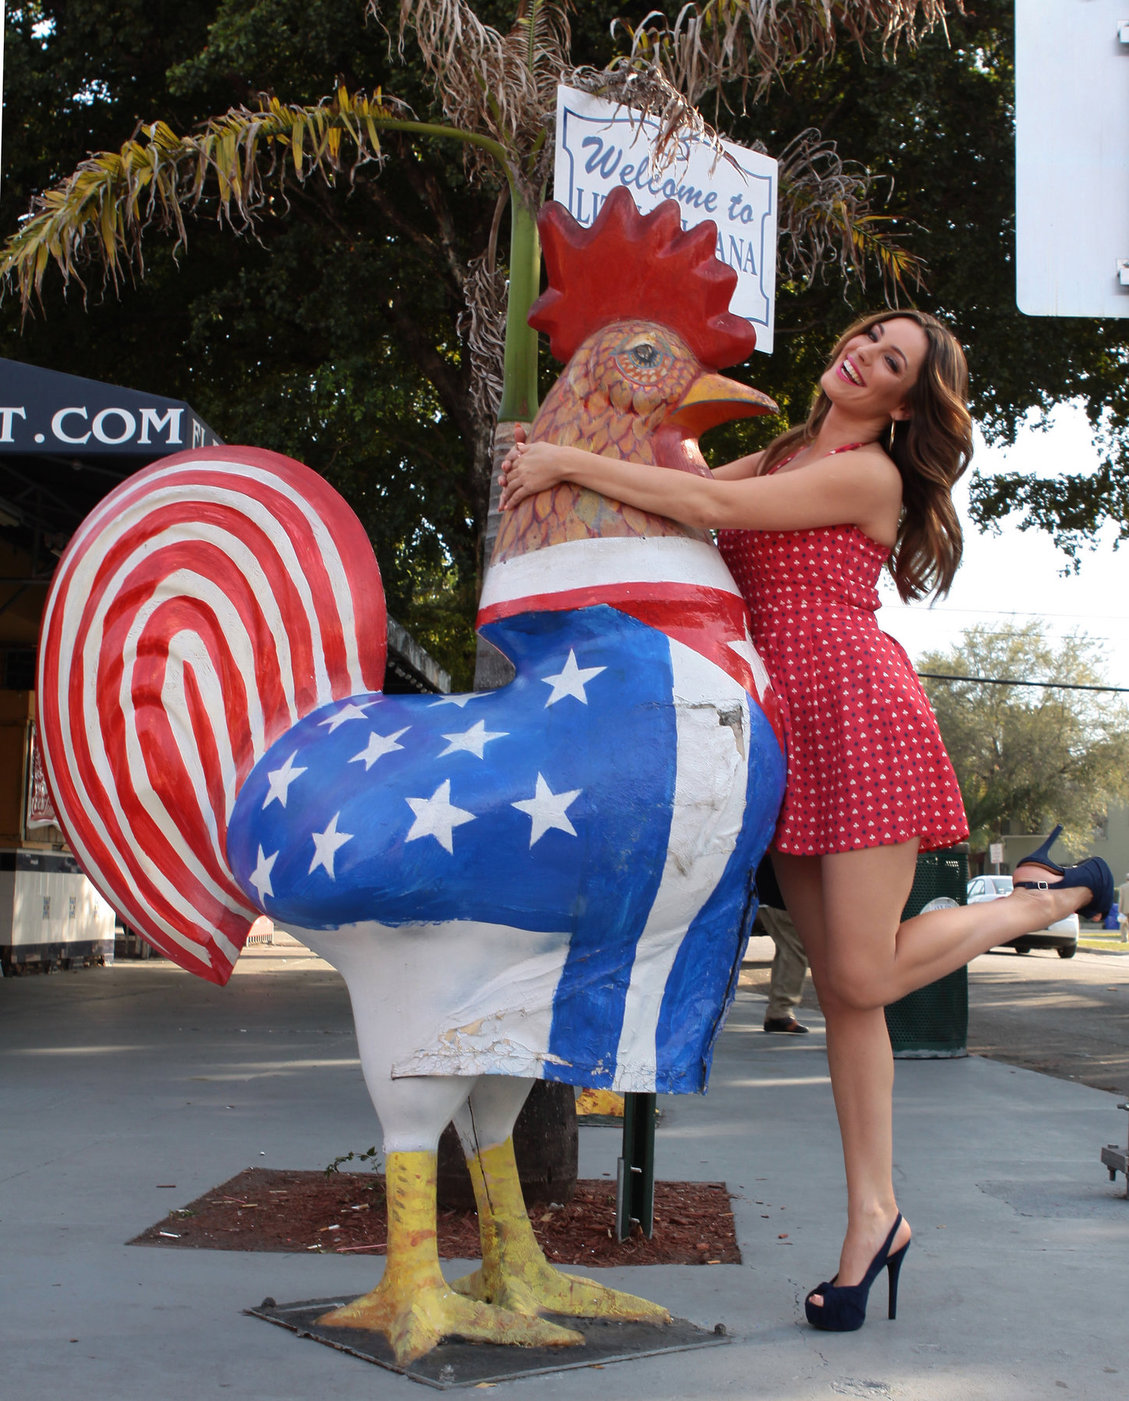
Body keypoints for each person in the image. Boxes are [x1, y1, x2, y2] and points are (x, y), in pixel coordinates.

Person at [499, 309, 1115, 1332]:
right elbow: (693, 497)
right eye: (870, 336)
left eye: (891, 362)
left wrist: (566, 458)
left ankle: (1060, 892)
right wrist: (579, 435)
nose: (863, 355)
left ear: (904, 403)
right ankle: (874, 1217)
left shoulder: (870, 474)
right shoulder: (791, 449)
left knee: (864, 974)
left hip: (858, 713)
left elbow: (697, 498)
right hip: (784, 727)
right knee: (844, 995)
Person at [754, 855, 809, 1033]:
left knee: (789, 947)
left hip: (770, 889)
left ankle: (779, 1010)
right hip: (779, 893)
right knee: (794, 948)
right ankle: (780, 1011)